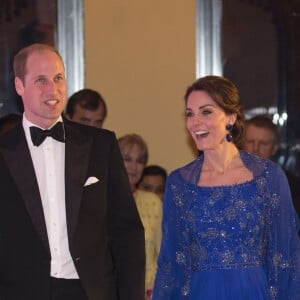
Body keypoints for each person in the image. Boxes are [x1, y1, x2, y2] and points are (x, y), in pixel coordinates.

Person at [0, 43, 145, 300]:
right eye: (41, 80)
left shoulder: (101, 145)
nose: (52, 89)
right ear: (19, 86)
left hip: (91, 291)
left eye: (58, 78)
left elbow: (127, 232)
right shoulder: (4, 150)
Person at [152, 75, 300, 299]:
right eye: (190, 114)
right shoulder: (179, 184)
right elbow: (171, 265)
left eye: (206, 111)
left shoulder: (269, 178)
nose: (195, 122)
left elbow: (287, 257)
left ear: (230, 117)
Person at [118, 134, 162, 299]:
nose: (133, 167)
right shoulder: (99, 200)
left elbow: (163, 254)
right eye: (127, 159)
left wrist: (152, 291)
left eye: (139, 161)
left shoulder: (153, 202)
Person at [243, 115, 300, 217]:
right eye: (250, 142)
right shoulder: (225, 181)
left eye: (263, 143)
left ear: (274, 148)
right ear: (242, 144)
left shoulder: (292, 188)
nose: (255, 148)